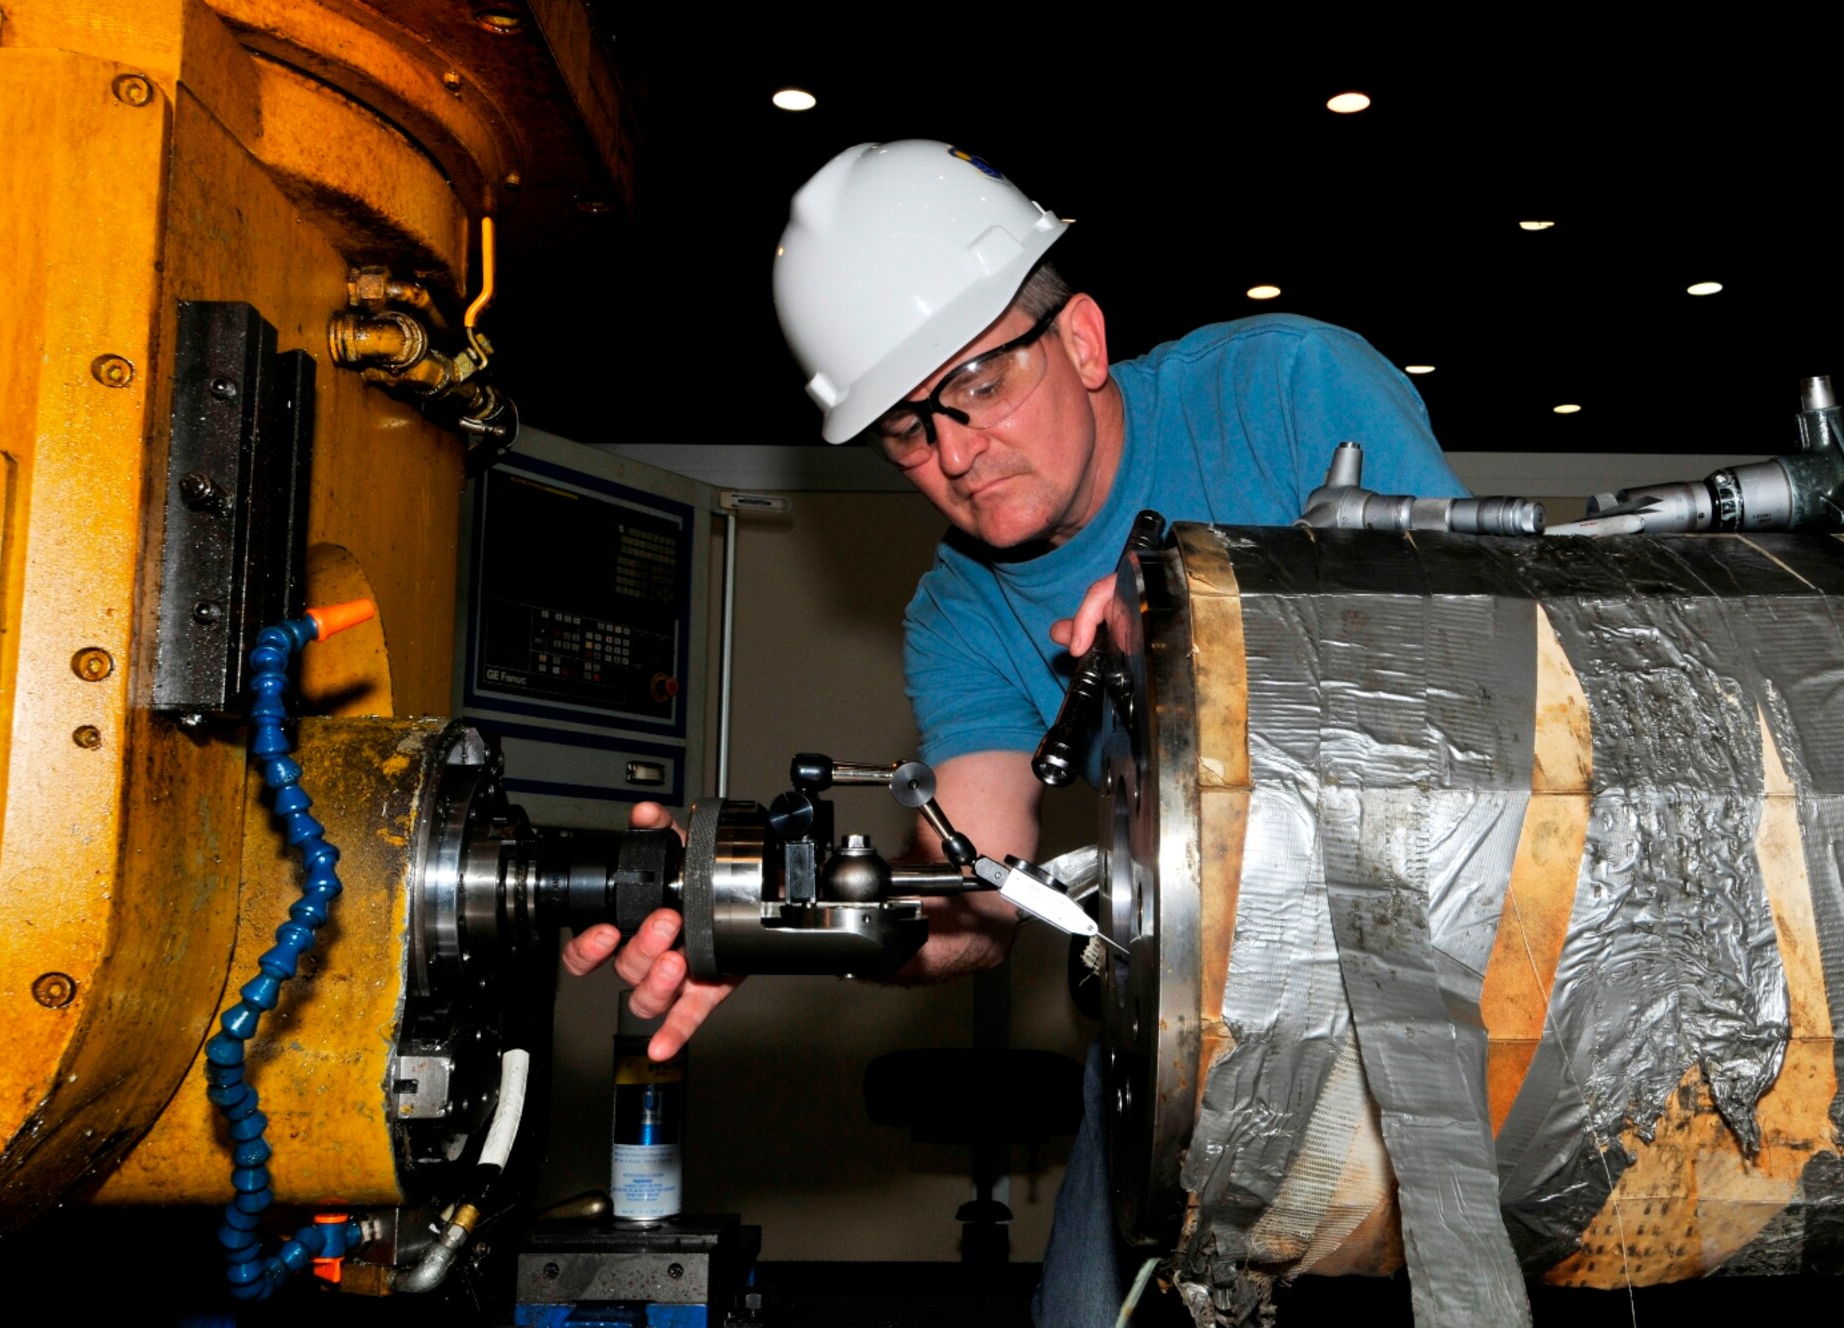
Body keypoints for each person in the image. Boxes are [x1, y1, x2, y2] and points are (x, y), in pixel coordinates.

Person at [562, 140, 1466, 1323]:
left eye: (975, 387)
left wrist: (1198, 632)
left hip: (1437, 988)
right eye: (902, 430)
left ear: (1079, 340)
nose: (949, 454)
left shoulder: (1291, 390)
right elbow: (978, 890)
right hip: (1184, 1029)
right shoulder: (958, 612)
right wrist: (770, 922)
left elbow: (1477, 688)